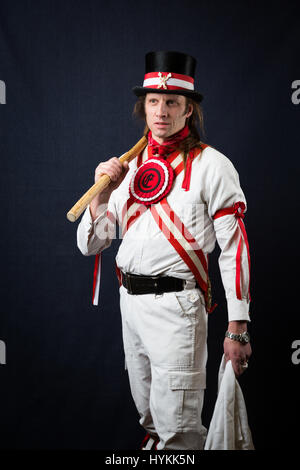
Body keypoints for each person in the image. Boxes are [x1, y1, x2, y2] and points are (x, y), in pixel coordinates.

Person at [77, 51, 252, 450]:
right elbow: (94, 242)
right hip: (131, 306)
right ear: (144, 107)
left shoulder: (213, 166)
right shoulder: (128, 167)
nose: (161, 111)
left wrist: (237, 325)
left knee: (179, 430)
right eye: (153, 101)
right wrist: (100, 195)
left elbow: (234, 246)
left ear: (188, 109)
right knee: (151, 422)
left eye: (171, 102)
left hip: (179, 309)